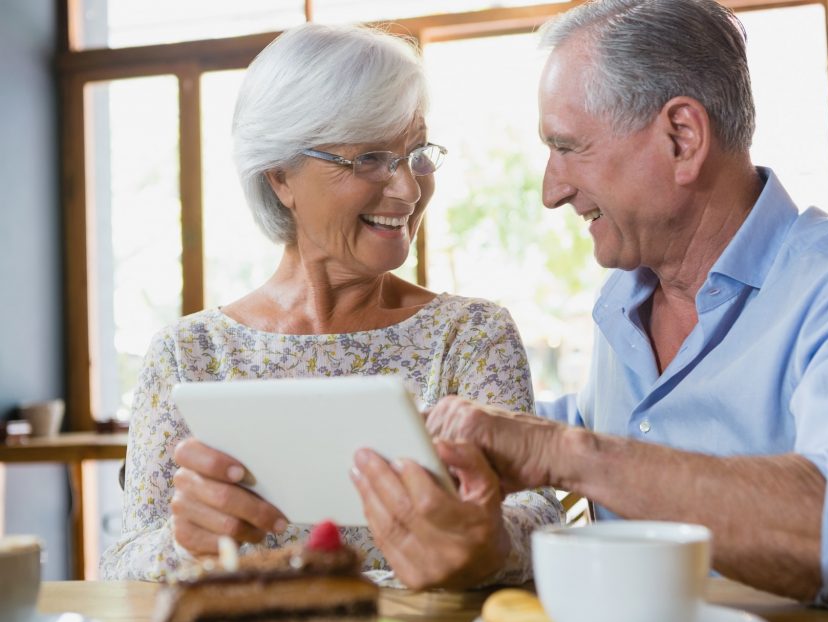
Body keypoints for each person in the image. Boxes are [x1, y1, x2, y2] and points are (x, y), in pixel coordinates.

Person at [419, 0, 828, 622]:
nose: (553, 190)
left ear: (681, 138)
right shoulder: (624, 303)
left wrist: (567, 452)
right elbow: (607, 432)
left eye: (568, 148)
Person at [100, 23, 561, 590]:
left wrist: (487, 535)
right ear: (280, 177)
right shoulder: (189, 354)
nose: (409, 191)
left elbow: (541, 520)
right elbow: (120, 564)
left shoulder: (470, 334)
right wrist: (183, 543)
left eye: (416, 154)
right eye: (370, 158)